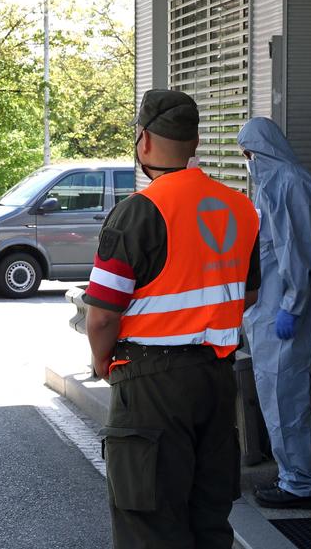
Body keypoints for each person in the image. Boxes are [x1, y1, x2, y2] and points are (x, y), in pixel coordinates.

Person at [83, 89, 261, 549]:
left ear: (143, 141)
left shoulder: (138, 212)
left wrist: (103, 363)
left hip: (150, 385)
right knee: (209, 519)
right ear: (195, 142)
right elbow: (250, 291)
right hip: (218, 379)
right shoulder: (240, 209)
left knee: (151, 524)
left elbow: (102, 315)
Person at [236, 118, 311, 509]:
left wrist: (291, 306)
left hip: (283, 314)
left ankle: (301, 485)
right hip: (270, 312)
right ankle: (293, 475)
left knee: (287, 400)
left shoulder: (288, 182)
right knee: (279, 399)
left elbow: (296, 253)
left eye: (249, 154)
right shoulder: (273, 185)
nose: (248, 162)